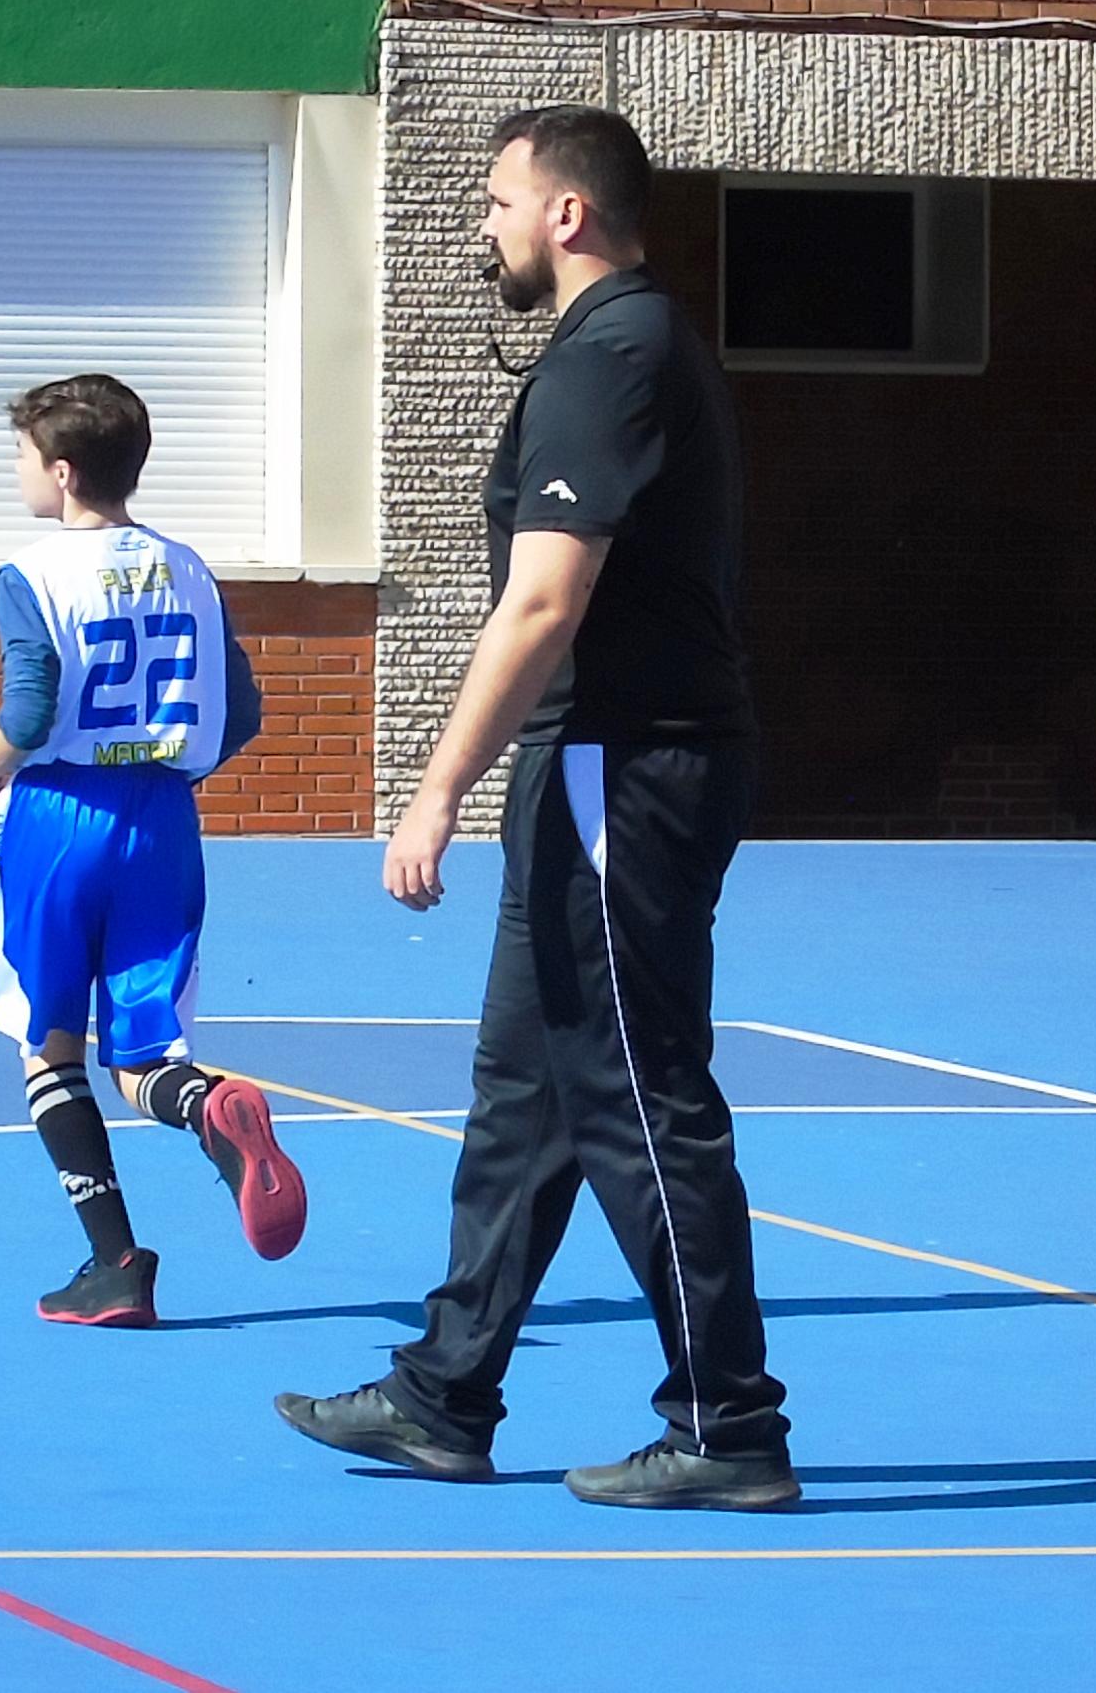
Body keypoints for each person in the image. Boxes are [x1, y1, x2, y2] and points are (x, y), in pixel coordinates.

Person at [273, 105, 797, 1511]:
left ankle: (727, 1422)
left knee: (636, 1091)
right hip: (594, 763)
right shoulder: (616, 349)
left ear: (565, 213)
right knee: (526, 1092)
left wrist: (433, 789)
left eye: (498, 200)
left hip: (625, 767)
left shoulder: (611, 352)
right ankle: (447, 1392)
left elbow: (545, 598)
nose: (485, 226)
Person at [0, 373, 296, 1329]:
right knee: (143, 1048)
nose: (19, 473)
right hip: (162, 818)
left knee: (49, 1048)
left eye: (24, 456)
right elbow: (243, 710)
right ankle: (206, 1106)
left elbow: (29, 706)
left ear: (62, 474)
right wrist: (173, 767)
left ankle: (114, 1261)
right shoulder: (190, 567)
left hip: (58, 816)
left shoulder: (32, 573)